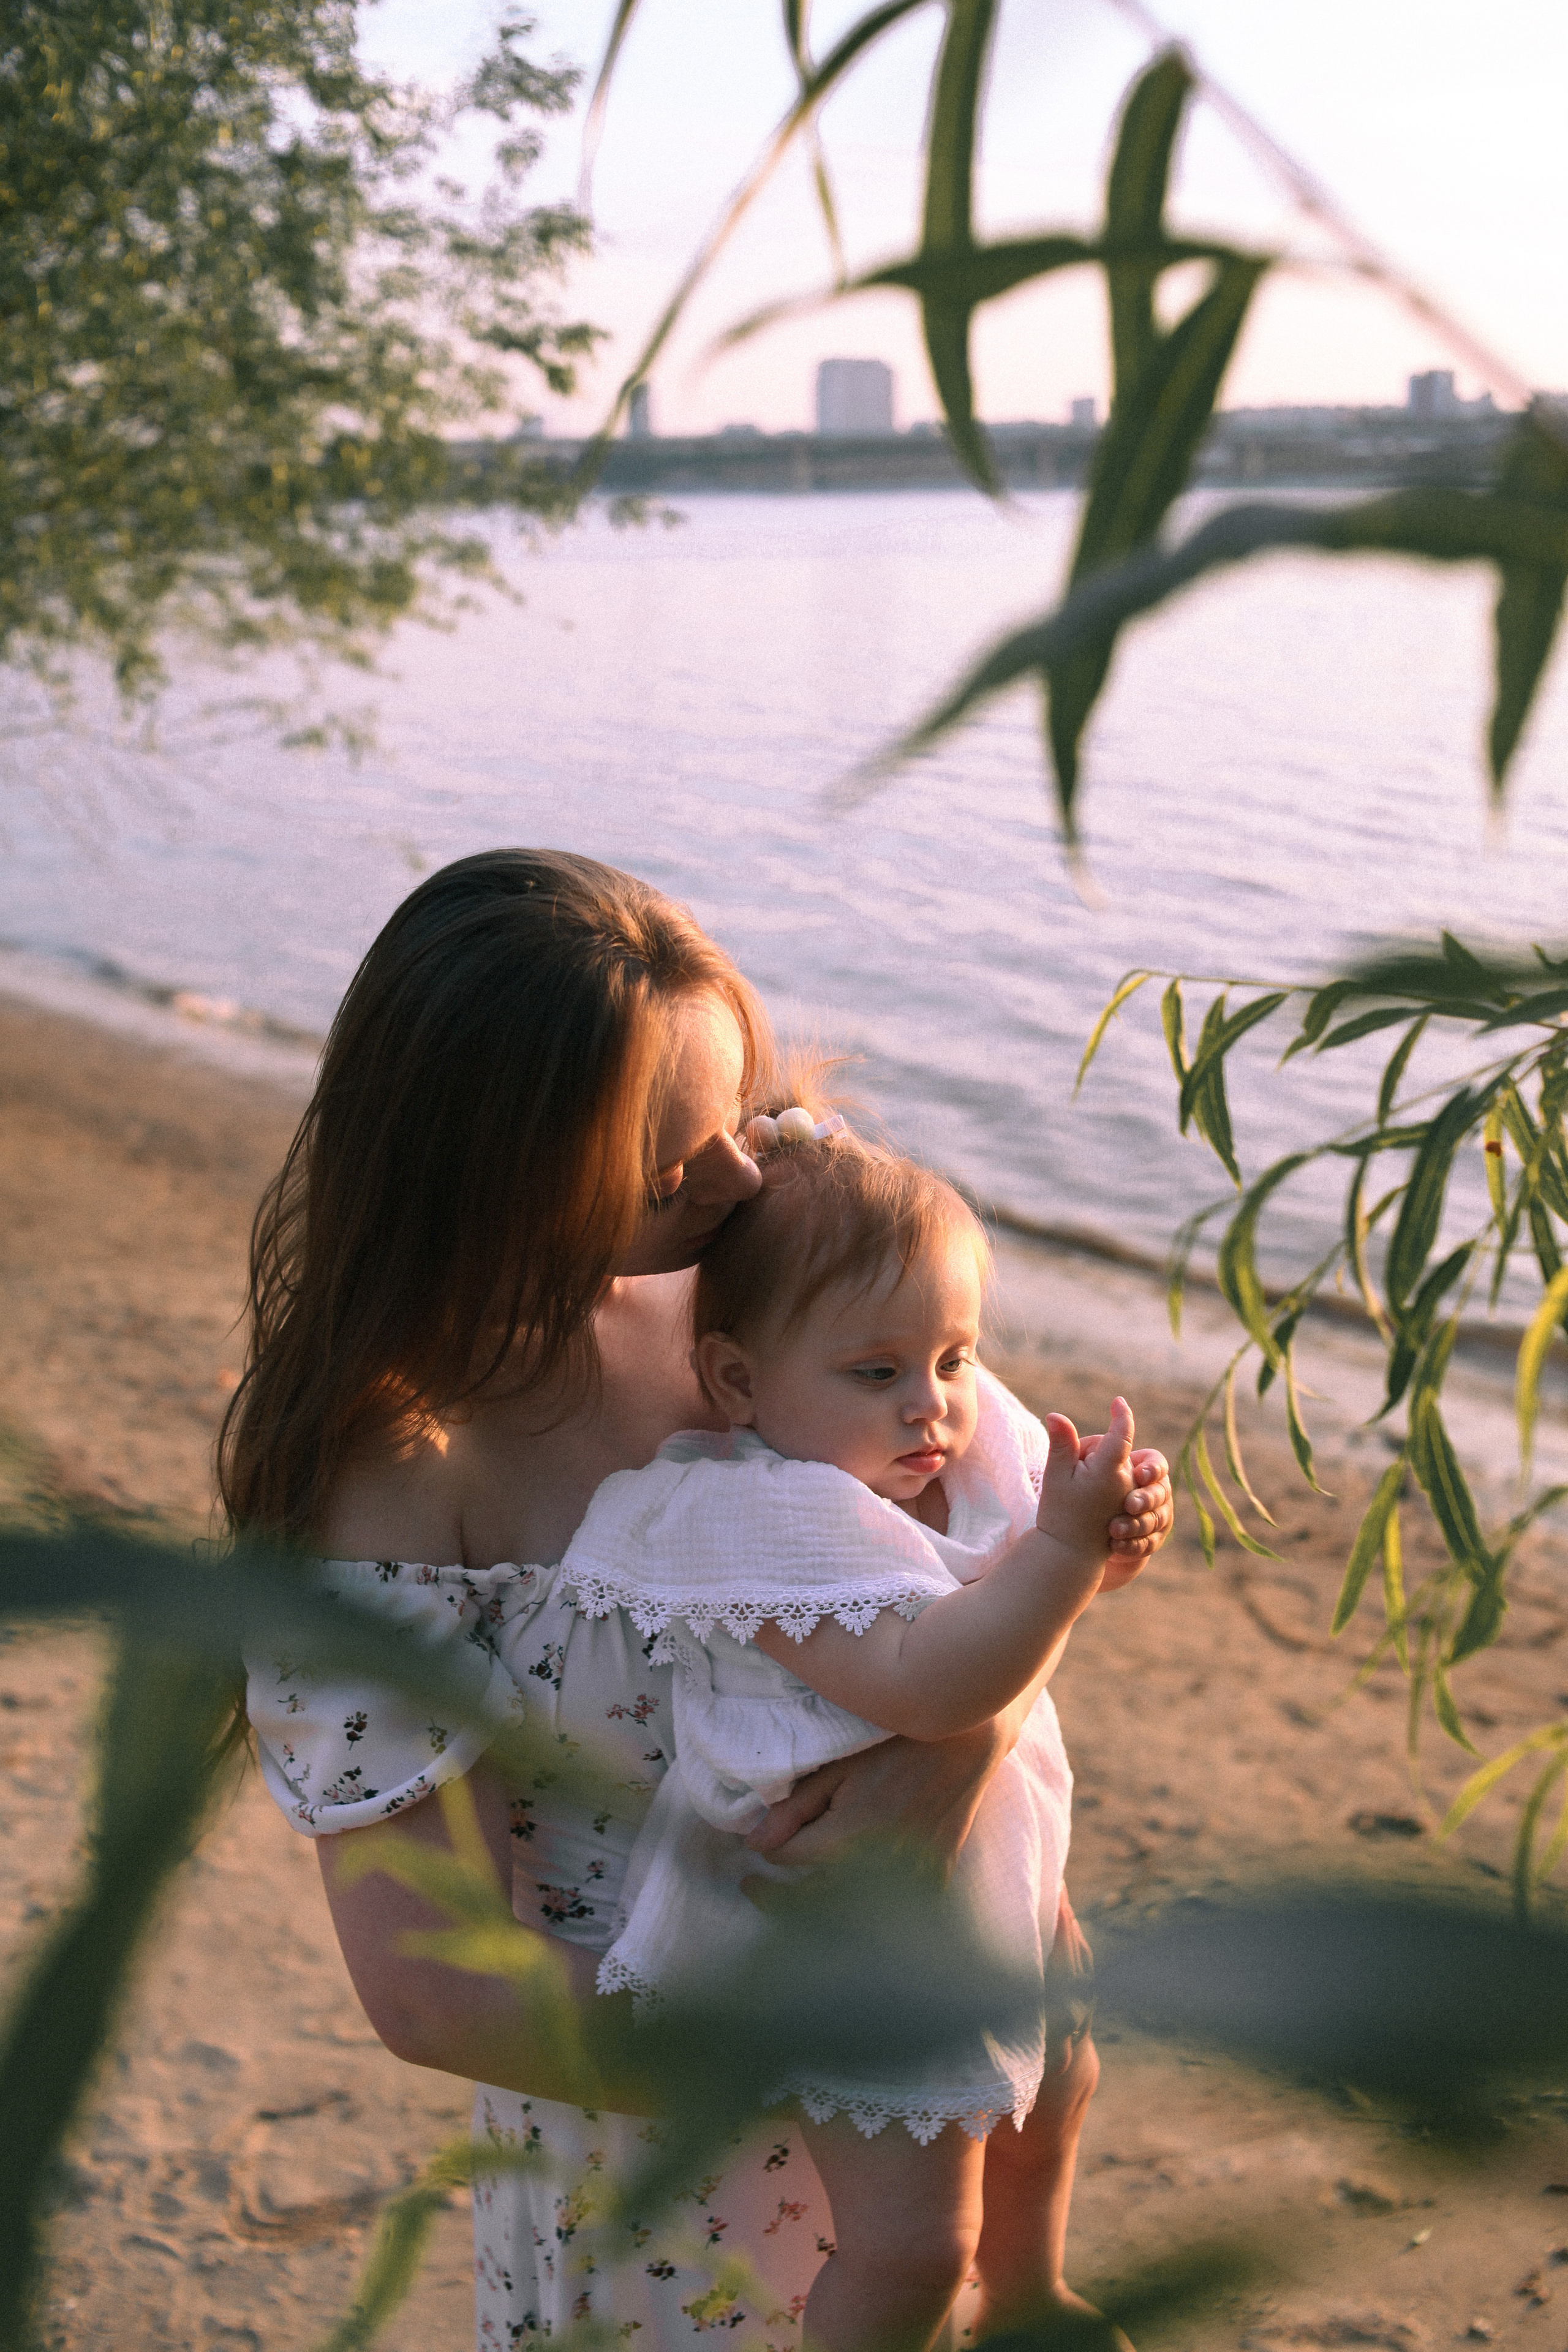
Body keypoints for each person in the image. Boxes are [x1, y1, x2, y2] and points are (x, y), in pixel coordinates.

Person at [228, 848, 1174, 2350]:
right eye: (673, 1166)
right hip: (672, 2131)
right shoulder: (402, 1477)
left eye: (735, 1117)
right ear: (498, 1178)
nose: (746, 1172)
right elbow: (431, 1986)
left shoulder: (744, 1272)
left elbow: (965, 1547)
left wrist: (951, 1762)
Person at [560, 1123, 1144, 2351]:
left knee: (1061, 2081)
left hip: (989, 1871)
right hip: (847, 1926)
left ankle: (1029, 2295)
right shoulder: (755, 1510)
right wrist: (1062, 1557)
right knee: (913, 2241)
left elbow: (1009, 1598)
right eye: (875, 1372)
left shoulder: (926, 1459)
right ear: (736, 1381)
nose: (929, 1403)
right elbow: (932, 1684)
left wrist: (1103, 1544)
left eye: (952, 1356)